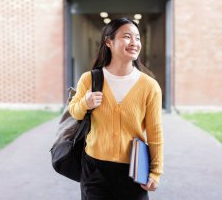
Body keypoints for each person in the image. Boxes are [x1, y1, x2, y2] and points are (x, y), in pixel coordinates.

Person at [69, 17, 164, 200]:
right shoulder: (90, 79)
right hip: (94, 168)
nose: (134, 43)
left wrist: (156, 172)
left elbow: (155, 132)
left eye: (137, 38)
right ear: (108, 42)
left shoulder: (149, 86)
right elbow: (74, 112)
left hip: (134, 169)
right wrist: (85, 104)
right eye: (127, 37)